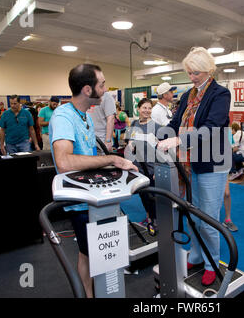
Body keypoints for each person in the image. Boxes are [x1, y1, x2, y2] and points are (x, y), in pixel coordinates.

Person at [49, 63, 138, 298]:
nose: (106, 89)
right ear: (88, 90)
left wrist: (111, 163)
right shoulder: (63, 117)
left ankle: (90, 294)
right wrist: (110, 159)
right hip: (80, 200)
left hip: (95, 197)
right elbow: (65, 162)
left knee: (86, 253)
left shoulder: (84, 116)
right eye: (102, 84)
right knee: (90, 253)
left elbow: (87, 158)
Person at [157, 47, 231, 286]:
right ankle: (198, 255)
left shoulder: (220, 94)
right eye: (189, 73)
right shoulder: (189, 94)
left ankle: (212, 262)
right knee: (193, 213)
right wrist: (155, 134)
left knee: (208, 217)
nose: (192, 77)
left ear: (208, 70)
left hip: (212, 162)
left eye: (196, 72)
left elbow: (212, 126)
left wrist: (178, 140)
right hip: (191, 162)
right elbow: (175, 122)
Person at [125, 98, 163, 234]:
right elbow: (129, 141)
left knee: (152, 196)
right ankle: (149, 217)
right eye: (144, 108)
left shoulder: (157, 127)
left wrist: (158, 168)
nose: (147, 110)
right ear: (139, 109)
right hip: (138, 168)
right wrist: (130, 144)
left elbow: (163, 149)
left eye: (149, 108)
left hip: (151, 167)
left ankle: (155, 220)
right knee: (143, 195)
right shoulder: (134, 124)